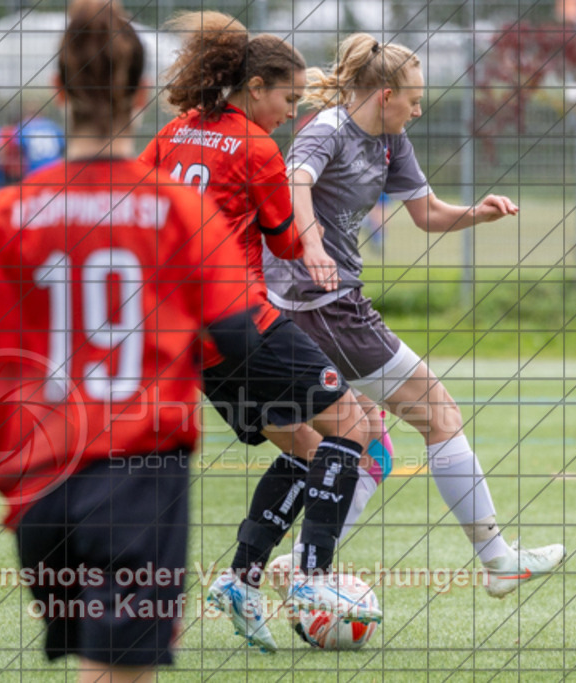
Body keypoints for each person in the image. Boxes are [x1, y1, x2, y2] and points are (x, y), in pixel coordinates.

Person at [0, 1, 268, 678]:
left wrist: (22, 373)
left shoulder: (10, 208)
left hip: (39, 479)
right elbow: (237, 333)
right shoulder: (181, 210)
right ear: (144, 96)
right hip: (137, 475)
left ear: (58, 90)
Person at [262, 34, 566, 600]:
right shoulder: (327, 129)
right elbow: (293, 183)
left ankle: (300, 567)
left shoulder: (391, 139)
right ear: (383, 95)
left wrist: (478, 213)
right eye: (413, 98)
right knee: (440, 413)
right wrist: (311, 243)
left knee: (373, 443)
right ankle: (497, 560)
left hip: (330, 306)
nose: (418, 109)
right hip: (321, 306)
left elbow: (426, 214)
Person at [139, 12, 384, 653]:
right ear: (253, 87)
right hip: (242, 320)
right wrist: (320, 251)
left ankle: (243, 582)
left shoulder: (172, 134)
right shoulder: (254, 148)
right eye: (287, 97)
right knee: (352, 429)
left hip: (187, 339)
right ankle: (312, 580)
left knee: (305, 448)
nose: (289, 110)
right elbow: (282, 238)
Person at [18, 109, 65, 173]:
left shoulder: (24, 127)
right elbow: (62, 145)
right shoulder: (53, 126)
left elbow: (17, 147)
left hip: (35, 170)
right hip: (55, 167)